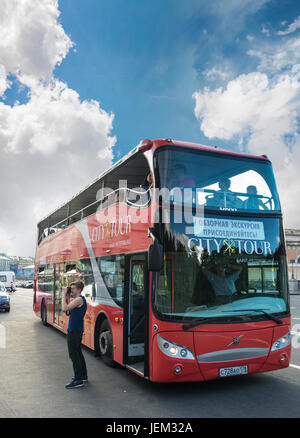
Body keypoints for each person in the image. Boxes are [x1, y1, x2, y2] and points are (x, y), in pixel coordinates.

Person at [62, 281, 88, 389]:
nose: (71, 290)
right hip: (77, 329)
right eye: (70, 288)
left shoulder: (79, 299)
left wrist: (64, 295)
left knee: (73, 354)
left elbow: (64, 308)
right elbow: (68, 311)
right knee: (78, 353)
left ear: (79, 290)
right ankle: (83, 375)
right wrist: (67, 296)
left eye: (73, 289)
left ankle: (78, 379)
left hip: (74, 331)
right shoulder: (78, 300)